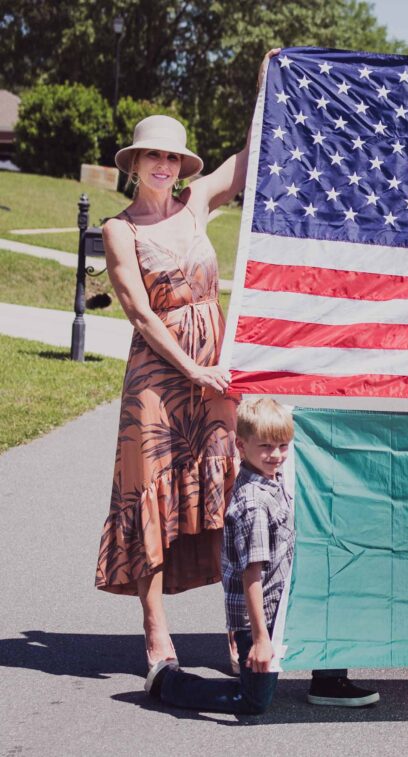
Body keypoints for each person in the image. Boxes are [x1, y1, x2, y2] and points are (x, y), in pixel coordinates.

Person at [94, 50, 279, 671]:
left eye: (172, 157)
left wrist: (267, 84)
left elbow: (248, 163)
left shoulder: (196, 203)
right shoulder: (121, 230)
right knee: (148, 489)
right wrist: (191, 370)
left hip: (214, 366)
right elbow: (140, 313)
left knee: (231, 492)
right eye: (154, 157)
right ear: (135, 164)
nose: (164, 167)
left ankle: (239, 623)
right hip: (160, 373)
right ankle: (155, 630)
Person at [146, 398, 380, 712]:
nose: (277, 455)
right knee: (254, 700)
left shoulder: (272, 477)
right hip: (258, 616)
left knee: (331, 599)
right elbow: (251, 577)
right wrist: (259, 638)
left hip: (283, 600)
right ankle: (168, 682)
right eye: (267, 446)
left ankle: (328, 678)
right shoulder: (253, 504)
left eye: (283, 446)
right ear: (241, 446)